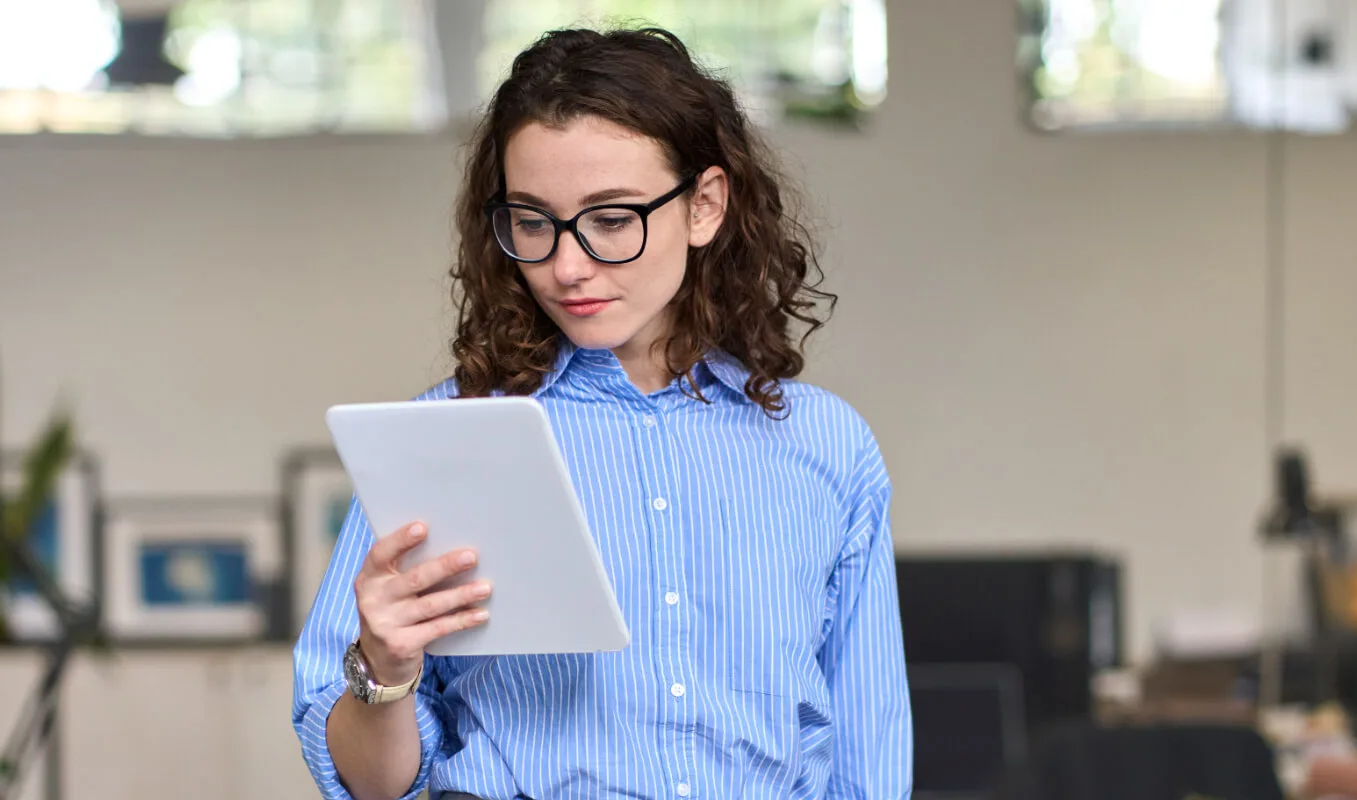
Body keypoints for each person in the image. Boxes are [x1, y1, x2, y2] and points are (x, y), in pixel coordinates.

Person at [291, 25, 911, 800]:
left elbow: (867, 747)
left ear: (706, 206)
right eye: (532, 222)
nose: (567, 265)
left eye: (612, 219)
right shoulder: (448, 437)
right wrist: (384, 668)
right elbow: (372, 787)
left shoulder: (826, 445)